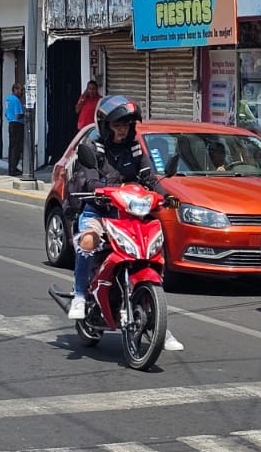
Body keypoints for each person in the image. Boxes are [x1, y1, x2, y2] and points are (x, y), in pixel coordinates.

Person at [66, 95, 183, 352]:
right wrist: (103, 190)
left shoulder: (135, 149)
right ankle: (79, 295)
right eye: (118, 123)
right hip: (98, 212)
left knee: (151, 248)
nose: (123, 128)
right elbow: (92, 181)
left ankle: (160, 324)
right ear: (106, 125)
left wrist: (168, 198)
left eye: (127, 123)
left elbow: (149, 178)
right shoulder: (95, 149)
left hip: (128, 216)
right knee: (88, 241)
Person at [5, 83, 26, 177]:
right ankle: (13, 169)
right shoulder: (16, 100)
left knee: (12, 147)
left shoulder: (8, 99)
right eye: (20, 90)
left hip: (11, 123)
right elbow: (18, 115)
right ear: (15, 90)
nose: (22, 93)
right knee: (17, 148)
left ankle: (11, 168)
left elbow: (6, 113)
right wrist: (25, 113)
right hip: (17, 124)